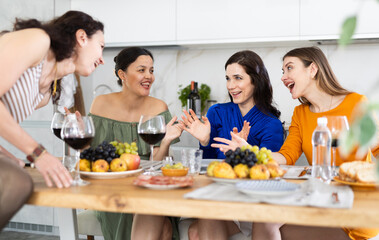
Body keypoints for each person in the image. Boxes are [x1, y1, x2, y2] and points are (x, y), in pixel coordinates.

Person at [214, 46, 379, 240]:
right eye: (283, 71)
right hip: (322, 200)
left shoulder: (357, 104)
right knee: (264, 220)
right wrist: (249, 151)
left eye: (290, 68)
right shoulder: (300, 113)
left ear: (313, 69)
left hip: (355, 209)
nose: (284, 77)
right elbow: (286, 156)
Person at [0, 10, 105, 230]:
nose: (102, 59)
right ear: (82, 37)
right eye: (101, 46)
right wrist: (38, 153)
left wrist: (11, 157)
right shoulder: (38, 40)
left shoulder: (45, 93)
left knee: (19, 180)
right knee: (16, 182)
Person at [180, 50, 284, 240]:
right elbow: (209, 166)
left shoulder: (271, 124)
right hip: (218, 195)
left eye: (238, 78)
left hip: (249, 203)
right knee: (196, 229)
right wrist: (204, 142)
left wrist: (245, 153)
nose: (231, 85)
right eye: (228, 78)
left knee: (197, 231)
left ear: (256, 80)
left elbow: (268, 173)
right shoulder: (217, 112)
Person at [89, 47, 183, 240]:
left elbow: (157, 162)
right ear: (122, 74)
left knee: (159, 220)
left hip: (150, 188)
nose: (149, 76)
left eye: (151, 70)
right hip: (114, 189)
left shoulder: (159, 108)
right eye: (141, 70)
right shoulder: (100, 104)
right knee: (161, 228)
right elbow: (90, 157)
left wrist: (165, 142)